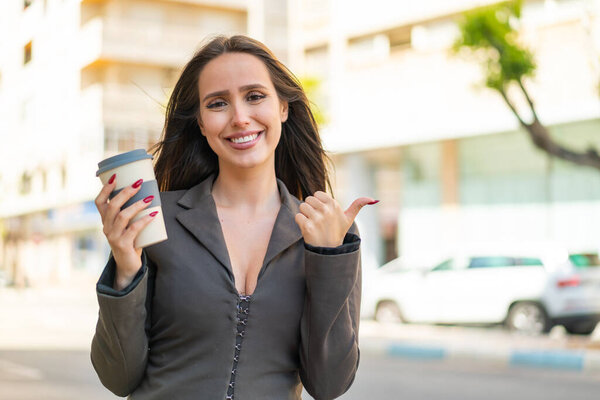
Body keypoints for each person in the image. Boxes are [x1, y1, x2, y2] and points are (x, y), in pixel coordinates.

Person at [91, 34, 377, 400]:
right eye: (217, 103)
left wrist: (327, 259)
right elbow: (118, 377)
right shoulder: (155, 220)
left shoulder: (329, 230)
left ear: (283, 108)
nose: (240, 118)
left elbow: (328, 384)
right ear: (200, 121)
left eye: (255, 96)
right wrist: (127, 268)